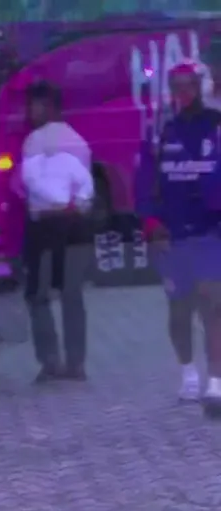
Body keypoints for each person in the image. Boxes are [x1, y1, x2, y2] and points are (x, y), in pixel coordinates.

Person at [138, 62, 221, 411]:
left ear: (201, 87)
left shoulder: (216, 126)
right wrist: (150, 222)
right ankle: (188, 374)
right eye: (176, 86)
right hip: (171, 236)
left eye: (189, 85)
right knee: (179, 311)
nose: (182, 92)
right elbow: (144, 181)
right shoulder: (162, 131)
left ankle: (216, 382)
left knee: (212, 306)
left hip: (209, 232)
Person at [19, 81, 93, 382]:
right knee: (72, 295)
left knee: (38, 295)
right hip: (76, 228)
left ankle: (50, 361)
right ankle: (76, 363)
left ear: (47, 106)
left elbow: (31, 187)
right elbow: (84, 197)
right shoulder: (79, 141)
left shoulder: (34, 142)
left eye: (33, 105)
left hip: (45, 228)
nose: (29, 111)